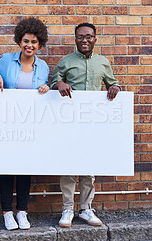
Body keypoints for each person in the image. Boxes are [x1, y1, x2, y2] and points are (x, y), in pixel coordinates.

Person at [50, 22, 121, 228]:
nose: (85, 40)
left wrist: (115, 87)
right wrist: (59, 84)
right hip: (69, 122)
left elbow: (112, 83)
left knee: (89, 167)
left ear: (95, 39)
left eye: (89, 36)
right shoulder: (66, 61)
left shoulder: (103, 62)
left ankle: (86, 208)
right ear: (75, 39)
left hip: (93, 123)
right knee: (69, 166)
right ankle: (67, 209)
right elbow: (55, 82)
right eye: (81, 36)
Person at [0, 17, 50, 231]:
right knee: (6, 168)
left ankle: (22, 211)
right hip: (6, 123)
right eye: (25, 41)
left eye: (33, 42)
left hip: (29, 125)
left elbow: (44, 89)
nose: (29, 45)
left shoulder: (43, 67)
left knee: (25, 169)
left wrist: (45, 88)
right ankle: (7, 213)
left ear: (39, 44)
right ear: (19, 41)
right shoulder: (6, 59)